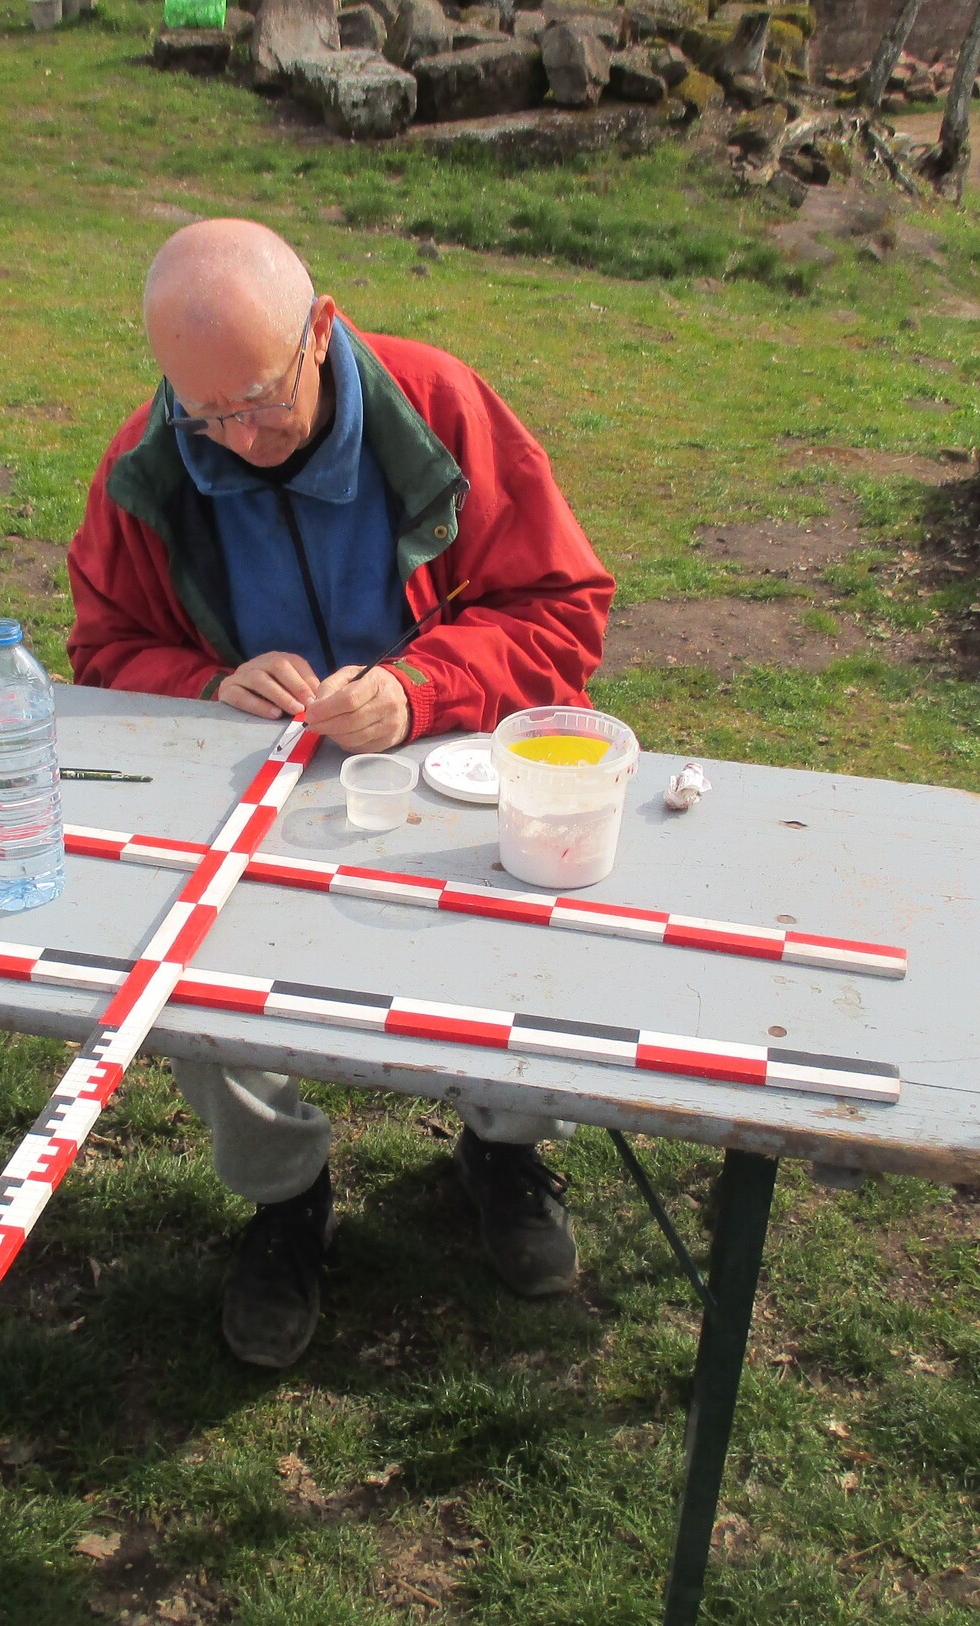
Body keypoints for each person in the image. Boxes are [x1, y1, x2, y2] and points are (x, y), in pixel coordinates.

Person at [64, 218, 614, 1368]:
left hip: (451, 767)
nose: (239, 440)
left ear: (320, 332)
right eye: (205, 415)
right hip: (248, 789)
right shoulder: (149, 460)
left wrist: (420, 688)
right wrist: (204, 682)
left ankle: (504, 1145)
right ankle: (285, 1199)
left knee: (540, 920)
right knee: (188, 974)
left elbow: (562, 608)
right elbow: (104, 648)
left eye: (261, 401)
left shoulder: (440, 407)